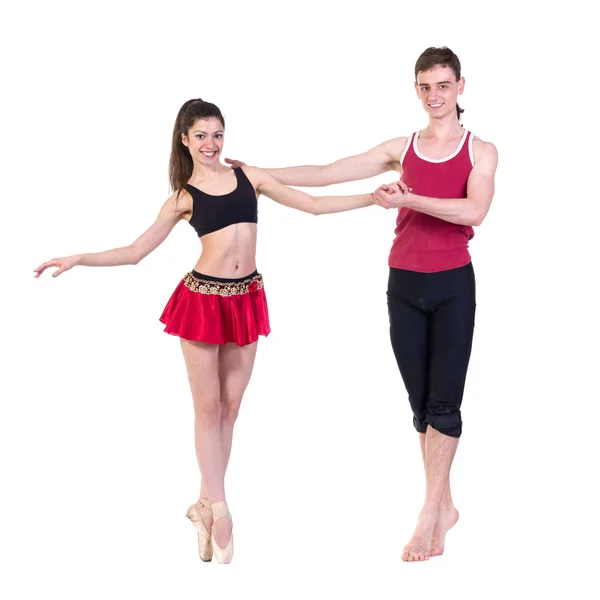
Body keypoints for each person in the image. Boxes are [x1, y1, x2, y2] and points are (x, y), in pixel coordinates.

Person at [33, 98, 377, 564]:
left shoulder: (249, 178)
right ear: (184, 140)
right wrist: (79, 257)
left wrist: (373, 197)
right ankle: (219, 507)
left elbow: (312, 204)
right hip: (202, 301)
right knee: (208, 408)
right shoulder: (182, 197)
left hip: (246, 298)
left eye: (217, 134)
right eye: (201, 136)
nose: (211, 144)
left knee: (231, 410)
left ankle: (203, 503)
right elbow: (136, 251)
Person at [226, 46, 498, 562]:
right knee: (420, 405)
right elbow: (329, 171)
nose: (434, 95)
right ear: (416, 90)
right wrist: (257, 170)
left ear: (461, 87)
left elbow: (475, 208)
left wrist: (407, 199)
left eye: (443, 85)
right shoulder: (403, 147)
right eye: (424, 86)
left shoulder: (481, 150)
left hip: (453, 284)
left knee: (445, 402)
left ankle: (429, 516)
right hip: (404, 282)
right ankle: (445, 504)